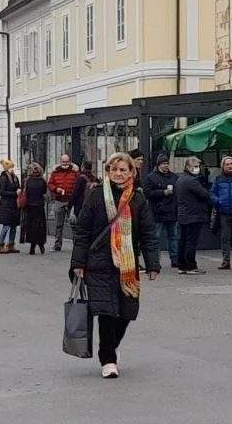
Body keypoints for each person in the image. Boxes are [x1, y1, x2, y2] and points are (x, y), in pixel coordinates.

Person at [70, 152, 161, 378]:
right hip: (99, 263)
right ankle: (108, 359)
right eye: (114, 169)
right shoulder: (96, 196)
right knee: (106, 311)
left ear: (132, 172)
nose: (118, 174)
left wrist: (152, 264)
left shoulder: (138, 199)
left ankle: (112, 346)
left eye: (123, 170)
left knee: (126, 312)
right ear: (108, 172)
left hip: (127, 265)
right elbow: (82, 231)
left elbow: (148, 233)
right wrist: (78, 262)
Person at [175, 157, 211, 274]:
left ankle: (181, 265)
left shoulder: (180, 179)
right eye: (195, 166)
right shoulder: (192, 181)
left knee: (182, 241)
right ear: (188, 167)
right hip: (194, 214)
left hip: (183, 214)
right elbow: (204, 194)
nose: (197, 169)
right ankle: (190, 266)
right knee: (191, 242)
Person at [143, 153, 179, 268]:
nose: (166, 166)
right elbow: (148, 193)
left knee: (173, 237)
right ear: (158, 165)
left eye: (167, 163)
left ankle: (175, 259)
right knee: (155, 238)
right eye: (164, 163)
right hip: (157, 212)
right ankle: (155, 262)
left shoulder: (174, 177)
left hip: (172, 212)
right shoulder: (151, 177)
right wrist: (162, 192)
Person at [47, 153, 82, 252]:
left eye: (67, 162)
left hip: (72, 201)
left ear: (70, 162)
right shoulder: (55, 172)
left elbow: (79, 184)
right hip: (59, 200)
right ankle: (57, 244)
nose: (65, 163)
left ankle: (77, 244)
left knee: (74, 224)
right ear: (60, 162)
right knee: (59, 224)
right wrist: (56, 189)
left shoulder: (75, 173)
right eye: (63, 161)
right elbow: (50, 184)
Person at [21, 162, 49, 254]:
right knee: (40, 226)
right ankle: (41, 244)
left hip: (30, 206)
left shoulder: (27, 181)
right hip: (40, 205)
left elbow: (25, 192)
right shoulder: (42, 181)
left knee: (31, 227)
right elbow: (44, 192)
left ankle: (32, 246)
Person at [0, 159, 22, 254]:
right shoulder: (4, 177)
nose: (12, 169)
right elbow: (2, 192)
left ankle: (11, 244)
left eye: (12, 167)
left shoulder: (15, 177)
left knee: (14, 226)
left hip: (15, 204)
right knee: (6, 226)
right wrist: (14, 193)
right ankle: (0, 244)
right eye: (10, 167)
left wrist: (19, 191)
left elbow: (18, 187)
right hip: (6, 205)